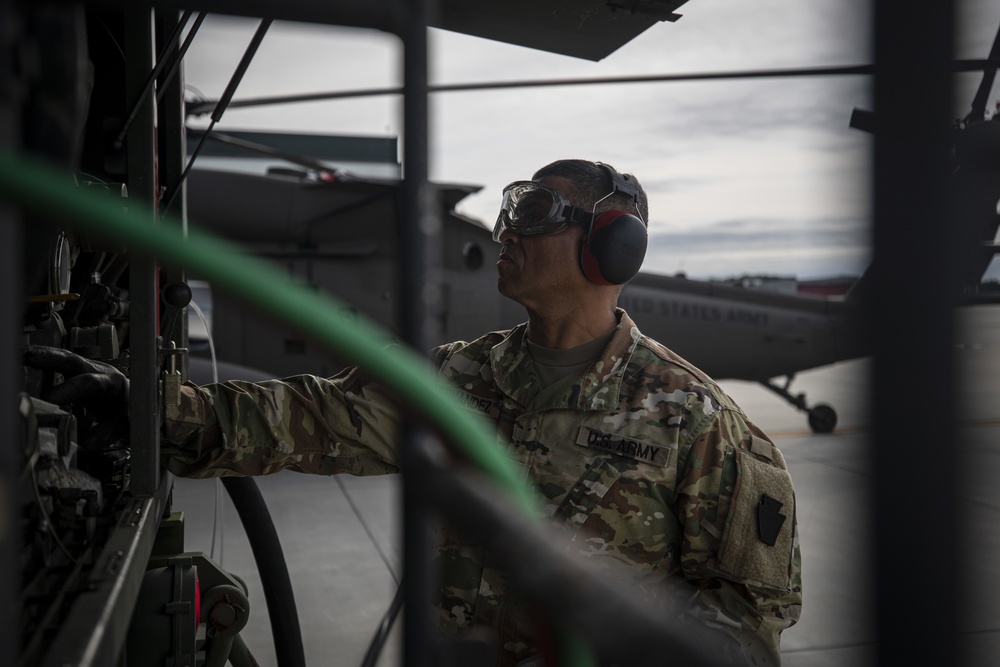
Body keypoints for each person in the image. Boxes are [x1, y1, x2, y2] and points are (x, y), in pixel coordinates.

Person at [33, 159, 802, 665]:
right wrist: (146, 407)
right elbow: (311, 416)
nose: (507, 229)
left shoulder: (697, 421)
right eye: (508, 207)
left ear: (613, 247)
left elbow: (748, 626)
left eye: (535, 210)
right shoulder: (458, 377)